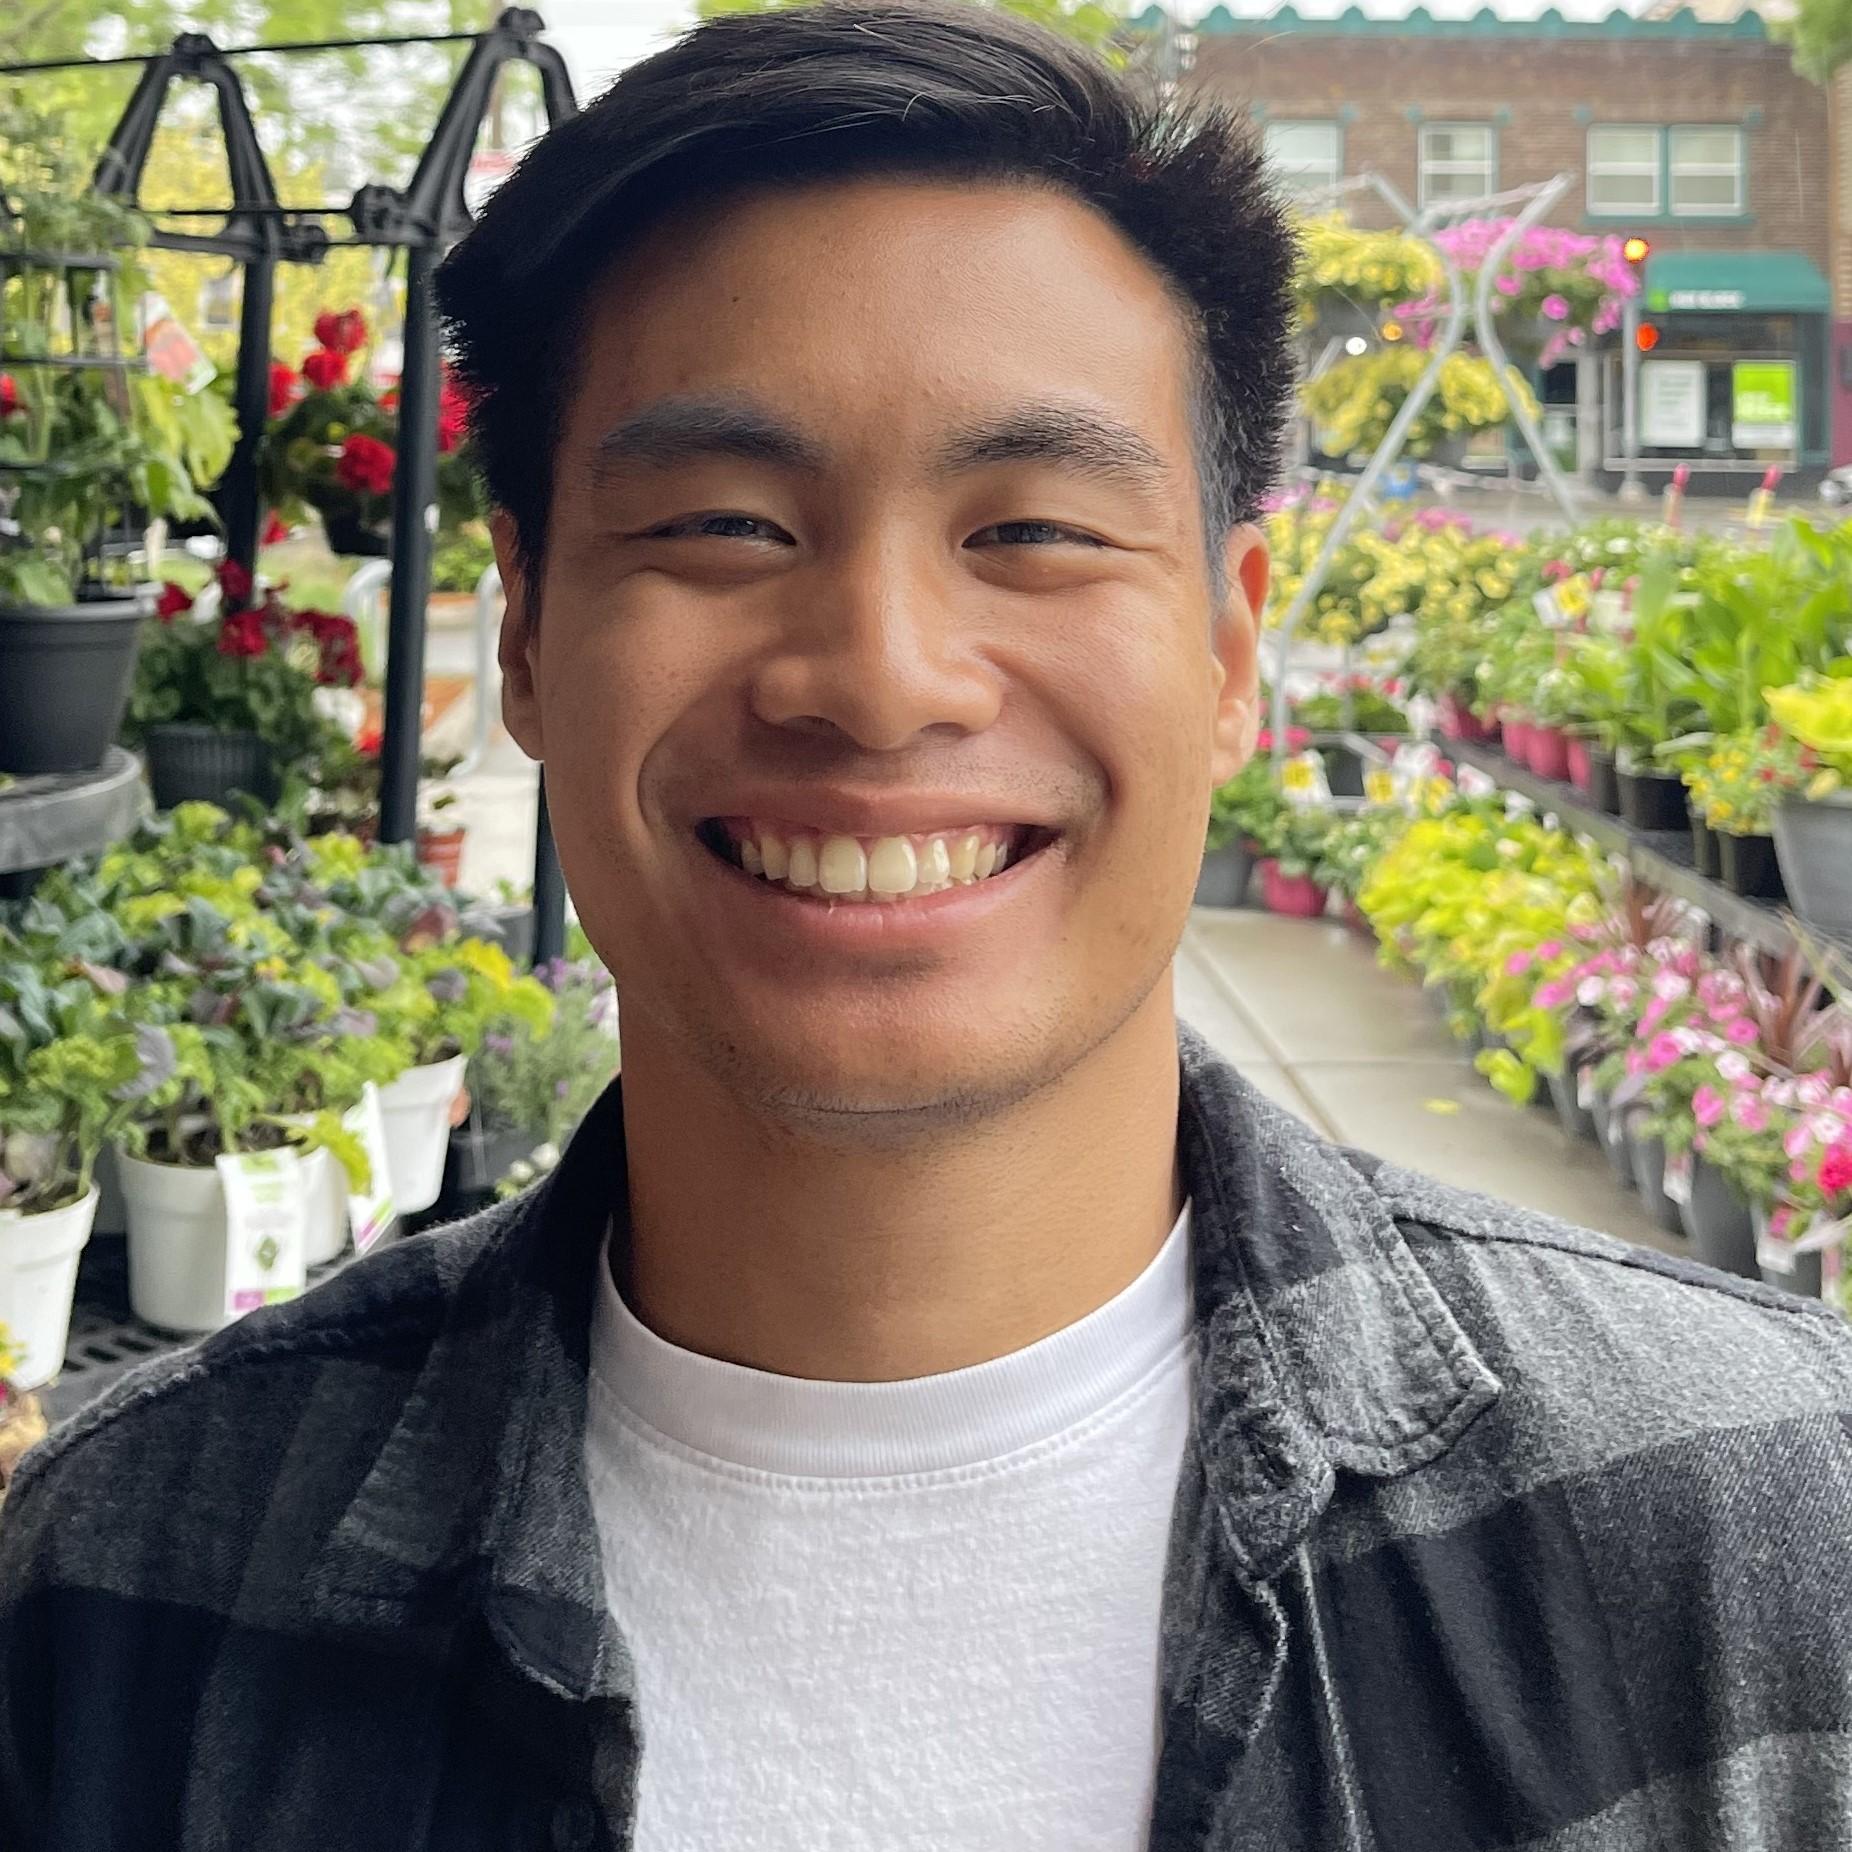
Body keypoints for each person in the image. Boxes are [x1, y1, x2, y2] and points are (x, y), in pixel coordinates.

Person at [4, 6, 1852, 1849]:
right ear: (529, 636)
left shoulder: (1752, 1528)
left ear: (1227, 647)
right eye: (725, 523)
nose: (880, 682)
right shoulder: (121, 1585)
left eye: (1034, 532)